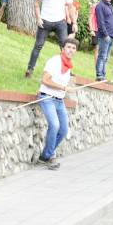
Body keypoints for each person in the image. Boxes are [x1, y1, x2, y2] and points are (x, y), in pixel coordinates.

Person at [37, 38, 78, 170]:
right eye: (68, 47)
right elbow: (44, 80)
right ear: (62, 49)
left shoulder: (68, 65)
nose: (71, 50)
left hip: (59, 100)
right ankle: (50, 157)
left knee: (64, 130)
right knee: (54, 125)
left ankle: (45, 156)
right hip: (47, 98)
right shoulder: (55, 61)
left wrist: (66, 88)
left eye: (73, 48)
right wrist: (63, 88)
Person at [25, 0, 73, 79]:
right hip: (45, 22)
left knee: (66, 47)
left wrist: (74, 22)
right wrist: (38, 18)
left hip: (60, 22)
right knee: (38, 45)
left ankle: (67, 71)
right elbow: (36, 3)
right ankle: (29, 70)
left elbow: (70, 6)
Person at [94, 0, 113, 82]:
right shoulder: (100, 6)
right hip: (104, 36)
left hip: (111, 35)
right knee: (102, 56)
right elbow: (101, 22)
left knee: (106, 57)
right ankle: (99, 75)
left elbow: (111, 21)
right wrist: (106, 34)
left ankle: (103, 75)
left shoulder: (110, 6)